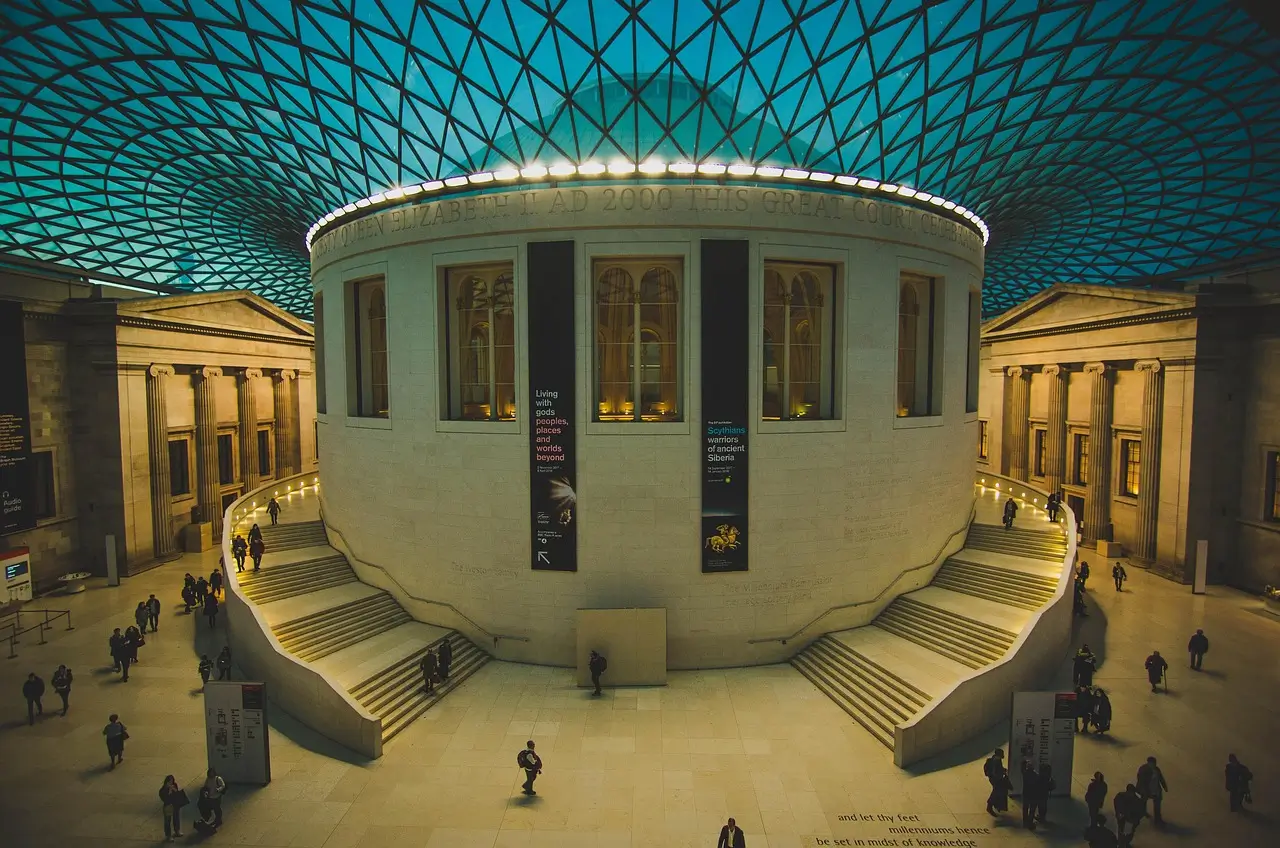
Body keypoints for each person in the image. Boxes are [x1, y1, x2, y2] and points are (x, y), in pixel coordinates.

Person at [1136, 756, 1168, 825]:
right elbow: (1141, 781)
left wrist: (1164, 786)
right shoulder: (1143, 769)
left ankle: (1158, 820)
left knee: (1157, 805)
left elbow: (1161, 778)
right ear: (1148, 763)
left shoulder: (1157, 769)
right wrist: (1143, 790)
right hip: (1146, 790)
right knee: (1143, 802)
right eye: (1152, 763)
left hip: (1155, 790)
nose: (1153, 765)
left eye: (1154, 763)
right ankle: (1143, 812)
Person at [159, 774, 186, 841]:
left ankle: (177, 831)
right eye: (169, 782)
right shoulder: (162, 790)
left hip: (175, 805)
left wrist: (174, 789)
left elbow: (177, 794)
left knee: (176, 818)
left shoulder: (174, 785)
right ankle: (168, 835)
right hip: (168, 806)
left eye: (172, 781)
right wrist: (169, 792)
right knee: (167, 821)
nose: (171, 783)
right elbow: (165, 799)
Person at [983, 749, 1008, 816]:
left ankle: (995, 805)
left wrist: (1003, 770)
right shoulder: (995, 761)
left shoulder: (996, 760)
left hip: (995, 779)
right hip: (995, 779)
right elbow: (995, 773)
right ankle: (990, 806)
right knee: (996, 792)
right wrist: (1002, 772)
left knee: (997, 791)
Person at [1020, 760, 1039, 830]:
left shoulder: (1025, 774)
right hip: (1033, 794)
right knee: (1032, 809)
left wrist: (1024, 761)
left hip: (1026, 793)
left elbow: (1022, 768)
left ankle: (1025, 822)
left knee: (1025, 808)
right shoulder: (1036, 775)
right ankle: (1030, 822)